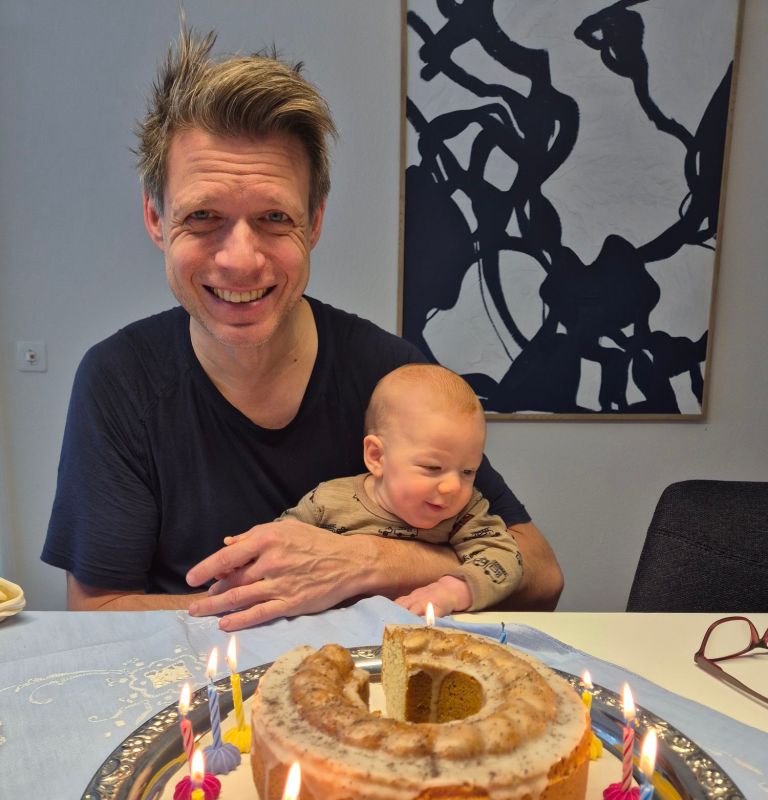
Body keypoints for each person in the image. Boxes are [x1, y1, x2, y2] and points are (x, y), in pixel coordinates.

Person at [42, 26, 563, 631]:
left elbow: (542, 576)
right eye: (203, 216)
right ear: (156, 218)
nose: (241, 260)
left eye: (274, 217)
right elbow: (99, 610)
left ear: (313, 222)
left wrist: (364, 562)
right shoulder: (120, 380)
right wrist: (290, 601)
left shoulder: (392, 376)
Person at [273, 363, 523, 616]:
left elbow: (505, 557)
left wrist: (452, 591)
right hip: (333, 630)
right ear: (377, 456)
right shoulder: (327, 501)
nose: (453, 487)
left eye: (468, 472)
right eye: (432, 467)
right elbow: (279, 544)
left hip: (422, 631)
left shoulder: (465, 513)